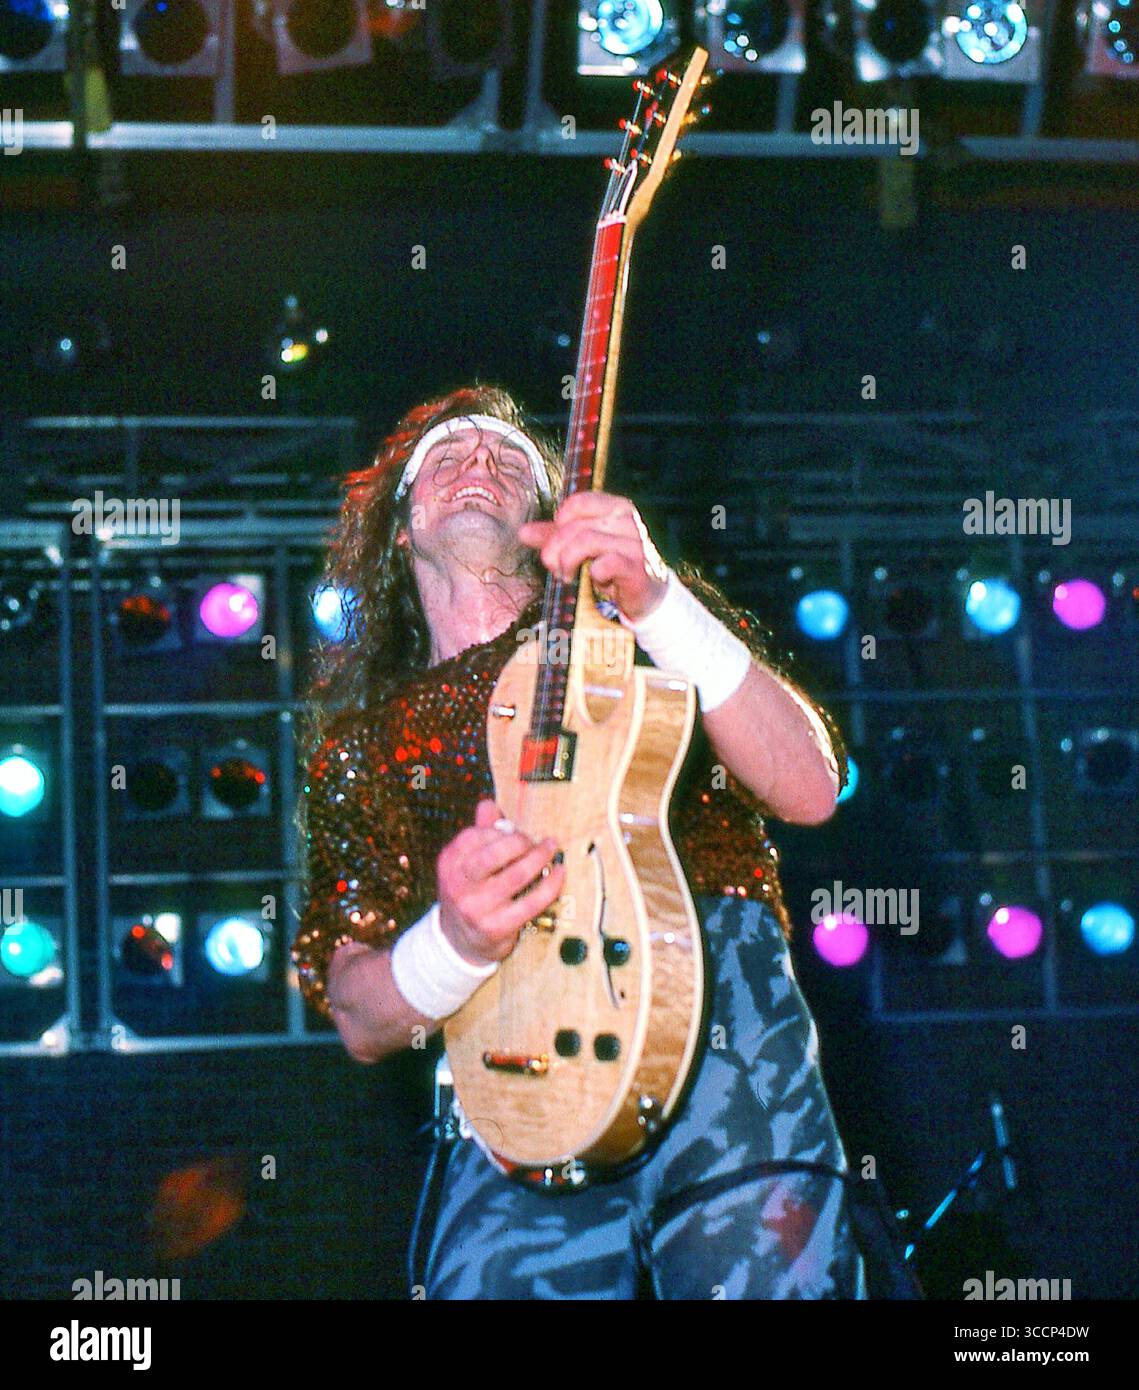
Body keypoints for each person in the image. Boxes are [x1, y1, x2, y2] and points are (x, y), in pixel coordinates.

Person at [293, 382, 866, 1299]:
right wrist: (456, 940)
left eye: (507, 459)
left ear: (547, 514)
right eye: (446, 456)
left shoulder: (643, 627)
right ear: (400, 527)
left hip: (721, 1034)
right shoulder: (362, 751)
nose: (478, 464)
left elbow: (809, 787)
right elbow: (358, 1013)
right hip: (512, 1094)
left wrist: (658, 597)